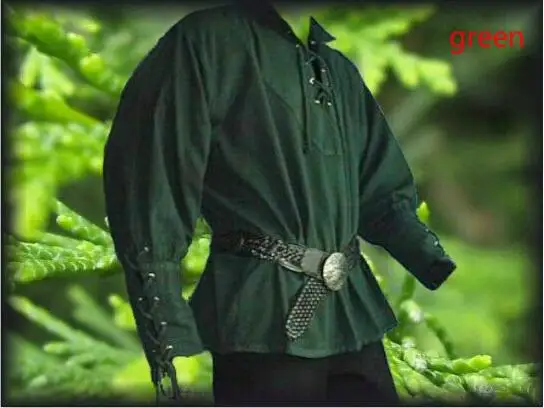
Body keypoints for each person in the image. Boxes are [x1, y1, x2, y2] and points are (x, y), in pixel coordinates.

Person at [102, 1, 456, 405]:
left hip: (351, 316)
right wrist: (170, 332)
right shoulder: (207, 42)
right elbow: (152, 180)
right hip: (260, 324)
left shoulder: (337, 68)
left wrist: (428, 258)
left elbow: (378, 189)